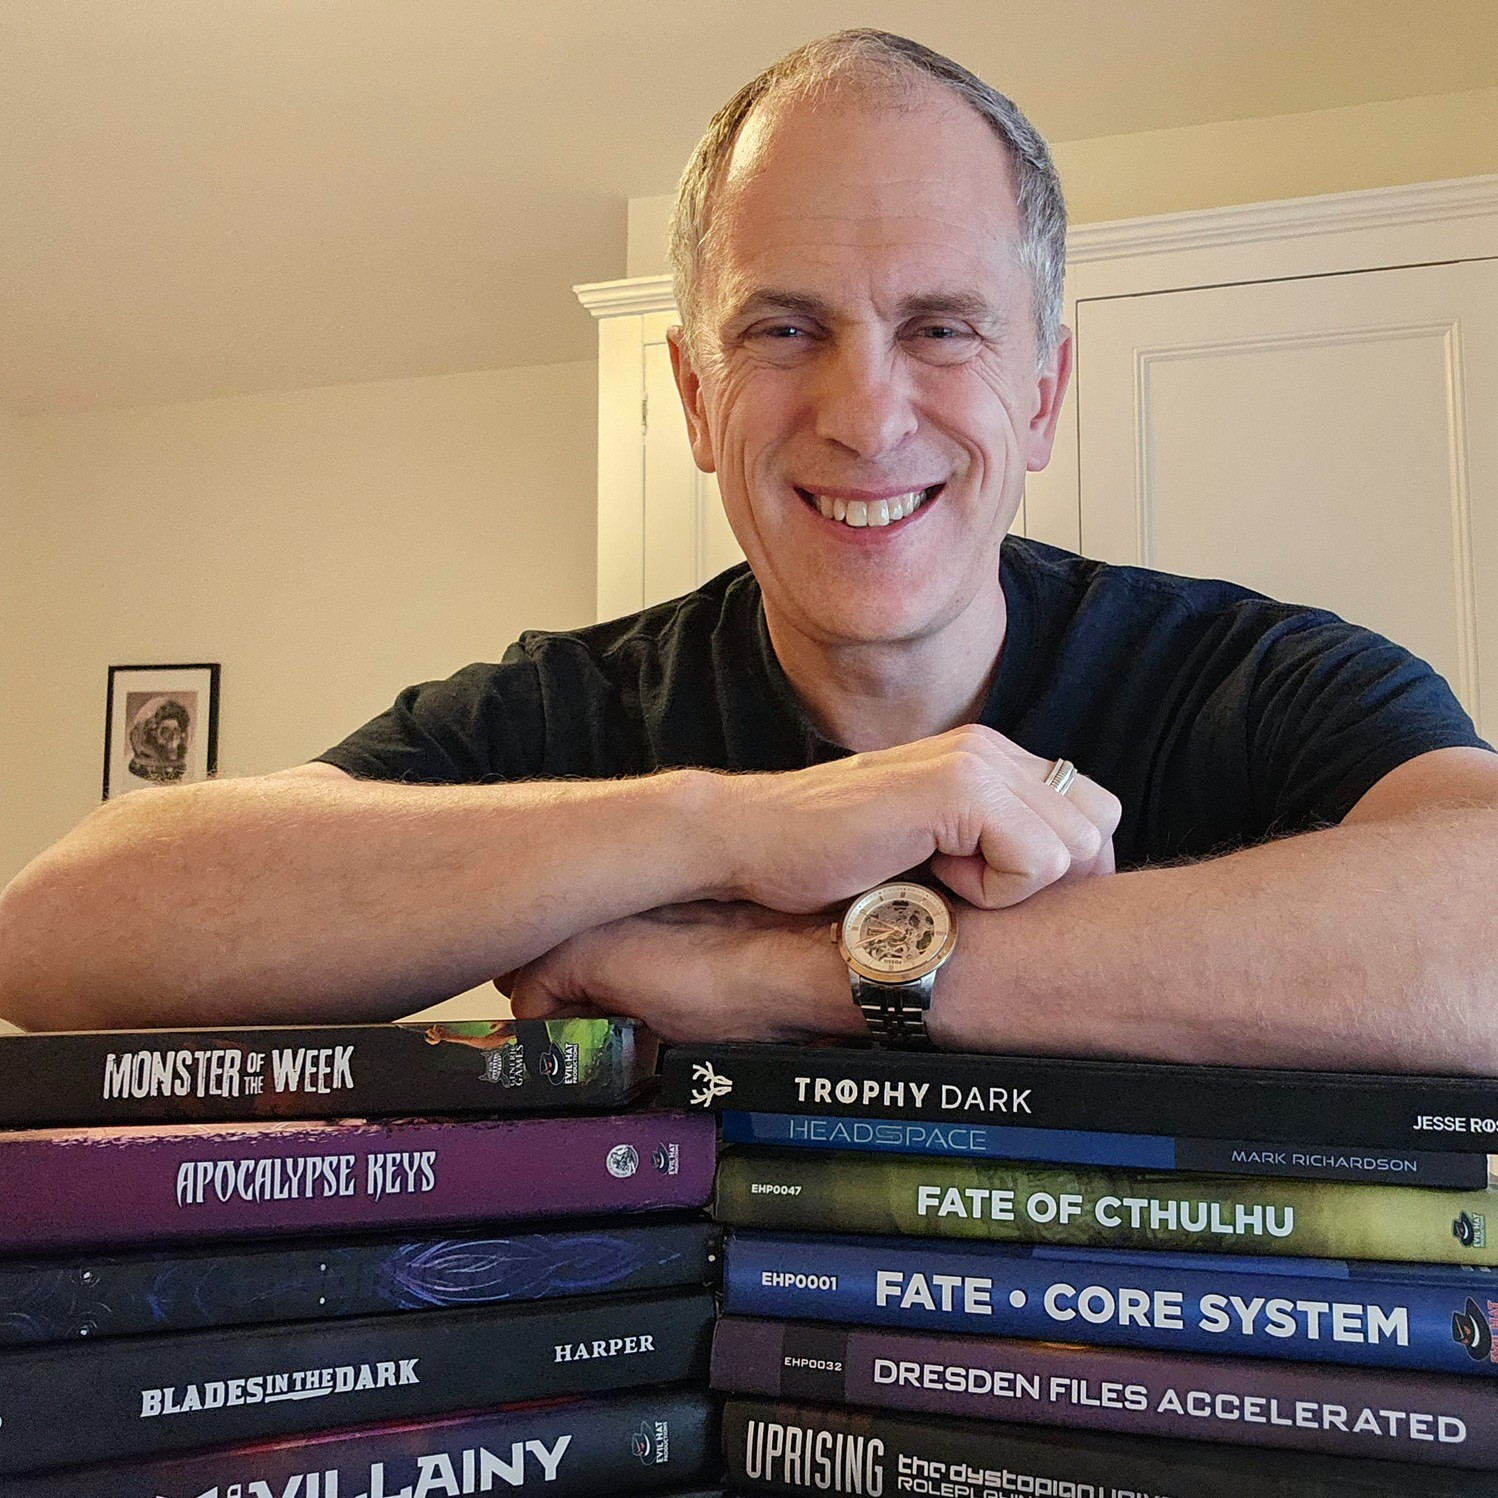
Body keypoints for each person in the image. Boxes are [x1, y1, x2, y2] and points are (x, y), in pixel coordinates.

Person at [1, 31, 1495, 1069]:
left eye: (940, 329)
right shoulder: (564, 719)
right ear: (694, 400)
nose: (864, 413)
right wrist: (719, 830)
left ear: (1040, 394)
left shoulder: (1259, 681)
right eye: (784, 330)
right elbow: (61, 935)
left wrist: (789, 972)